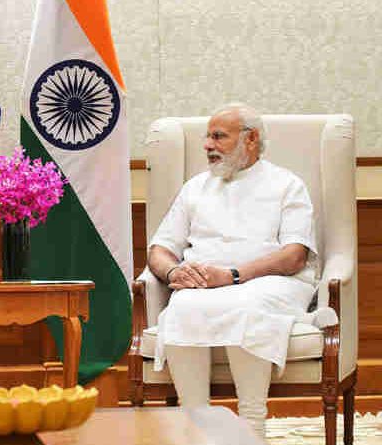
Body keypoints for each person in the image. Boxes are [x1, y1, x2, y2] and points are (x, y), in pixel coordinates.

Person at [144, 103, 336, 440]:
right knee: (183, 307)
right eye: (207, 137)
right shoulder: (196, 188)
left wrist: (231, 275)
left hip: (273, 282)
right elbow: (159, 250)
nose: (207, 145)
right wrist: (174, 272)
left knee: (246, 307)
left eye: (219, 136)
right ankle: (196, 426)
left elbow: (294, 256)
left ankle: (252, 427)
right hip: (205, 286)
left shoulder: (286, 185)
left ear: (251, 139)